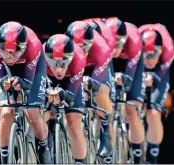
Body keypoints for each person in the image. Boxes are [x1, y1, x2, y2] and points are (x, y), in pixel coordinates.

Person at [0, 21, 51, 164]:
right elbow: (1, 79)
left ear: (23, 47)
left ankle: (43, 147)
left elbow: (27, 83)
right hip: (6, 70)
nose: (9, 56)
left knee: (33, 113)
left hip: (31, 68)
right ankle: (4, 156)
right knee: (6, 112)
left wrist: (22, 84)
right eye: (4, 51)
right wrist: (4, 83)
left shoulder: (34, 45)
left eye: (15, 52)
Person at [66, 20, 114, 163]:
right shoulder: (65, 43)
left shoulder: (102, 49)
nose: (81, 51)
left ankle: (105, 128)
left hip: (97, 65)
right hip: (74, 63)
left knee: (101, 92)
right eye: (77, 47)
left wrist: (92, 84)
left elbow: (98, 79)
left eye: (84, 47)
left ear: (91, 43)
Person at [105, 17, 145, 164]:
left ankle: (136, 156)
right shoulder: (104, 43)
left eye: (118, 44)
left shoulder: (134, 40)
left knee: (131, 110)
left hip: (133, 63)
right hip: (108, 61)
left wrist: (125, 82)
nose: (115, 48)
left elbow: (129, 79)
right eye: (112, 44)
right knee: (105, 104)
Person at [42, 34, 87, 164]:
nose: (59, 69)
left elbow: (71, 97)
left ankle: (80, 161)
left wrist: (64, 95)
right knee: (41, 113)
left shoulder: (79, 57)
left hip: (71, 82)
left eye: (63, 63)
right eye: (53, 63)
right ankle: (45, 146)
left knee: (73, 122)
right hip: (48, 80)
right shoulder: (41, 55)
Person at [138, 24, 174, 164]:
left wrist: (154, 80)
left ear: (160, 52)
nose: (149, 60)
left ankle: (152, 157)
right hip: (138, 68)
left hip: (161, 70)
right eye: (146, 55)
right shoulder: (135, 44)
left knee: (153, 113)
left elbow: (160, 75)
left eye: (153, 55)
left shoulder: (168, 51)